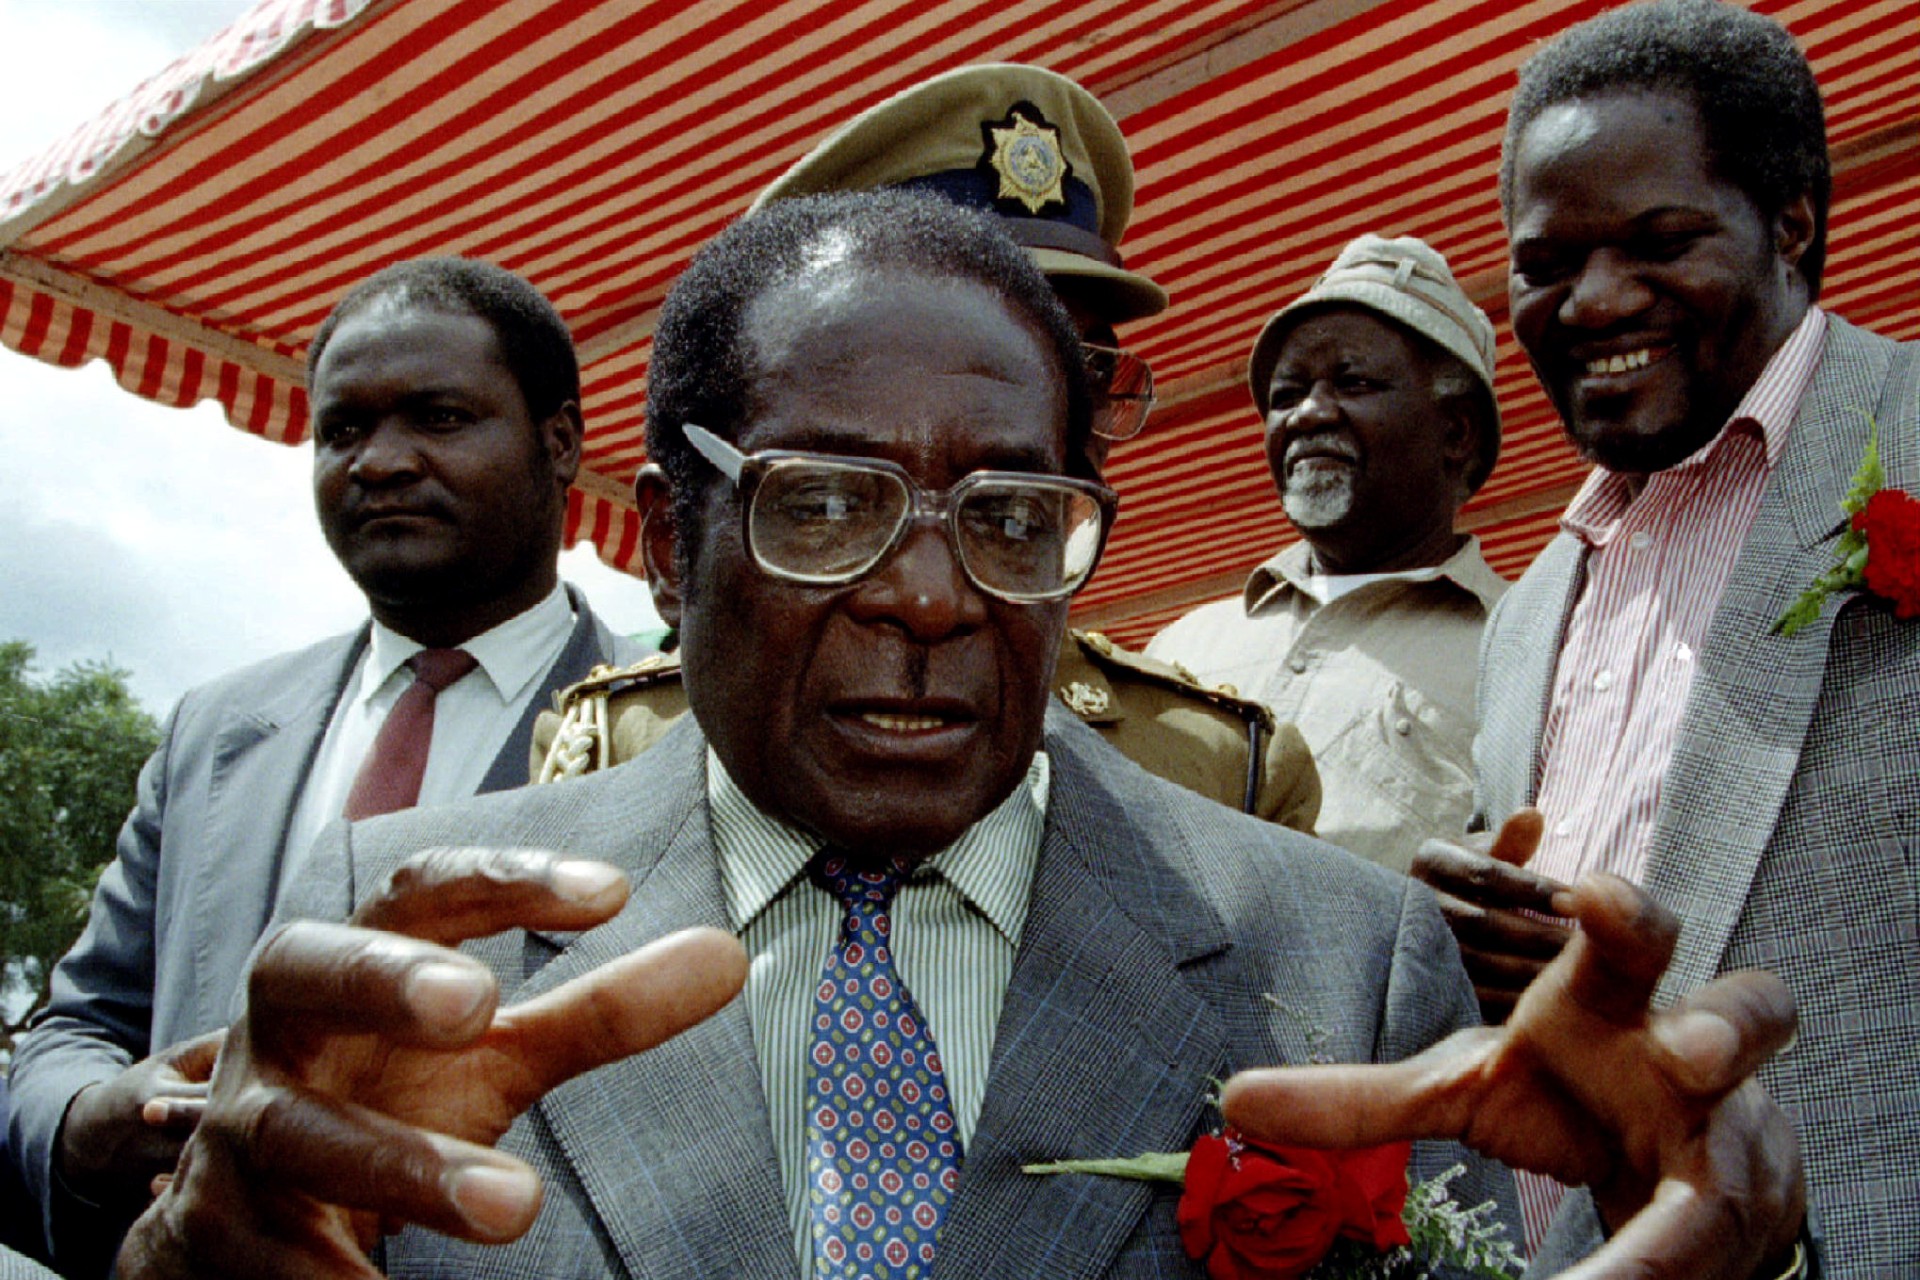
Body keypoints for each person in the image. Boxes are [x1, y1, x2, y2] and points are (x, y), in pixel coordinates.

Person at [119, 192, 1806, 1280]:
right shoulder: (402, 935)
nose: (931, 596)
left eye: (1011, 516)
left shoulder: (1337, 959)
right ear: (660, 538)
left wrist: (1718, 1244)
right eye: (826, 502)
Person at [1409, 2, 1919, 1273]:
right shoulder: (1528, 611)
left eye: (1660, 241)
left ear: (1794, 221)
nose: (1591, 302)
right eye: (1544, 262)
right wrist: (1473, 943)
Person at [5, 259, 641, 1273]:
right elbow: (74, 1026)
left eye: (437, 418)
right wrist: (89, 1119)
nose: (379, 462)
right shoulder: (216, 734)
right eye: (342, 430)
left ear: (561, 441)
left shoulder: (669, 738)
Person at [533, 64, 1321, 830]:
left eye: (1090, 369)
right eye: (835, 497)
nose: (1049, 413)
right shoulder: (633, 743)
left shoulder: (1219, 764)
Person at [1149, 235, 1506, 870]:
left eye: (1355, 382)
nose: (1308, 414)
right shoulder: (1180, 648)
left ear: (1455, 432)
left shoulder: (1529, 653)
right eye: (1286, 395)